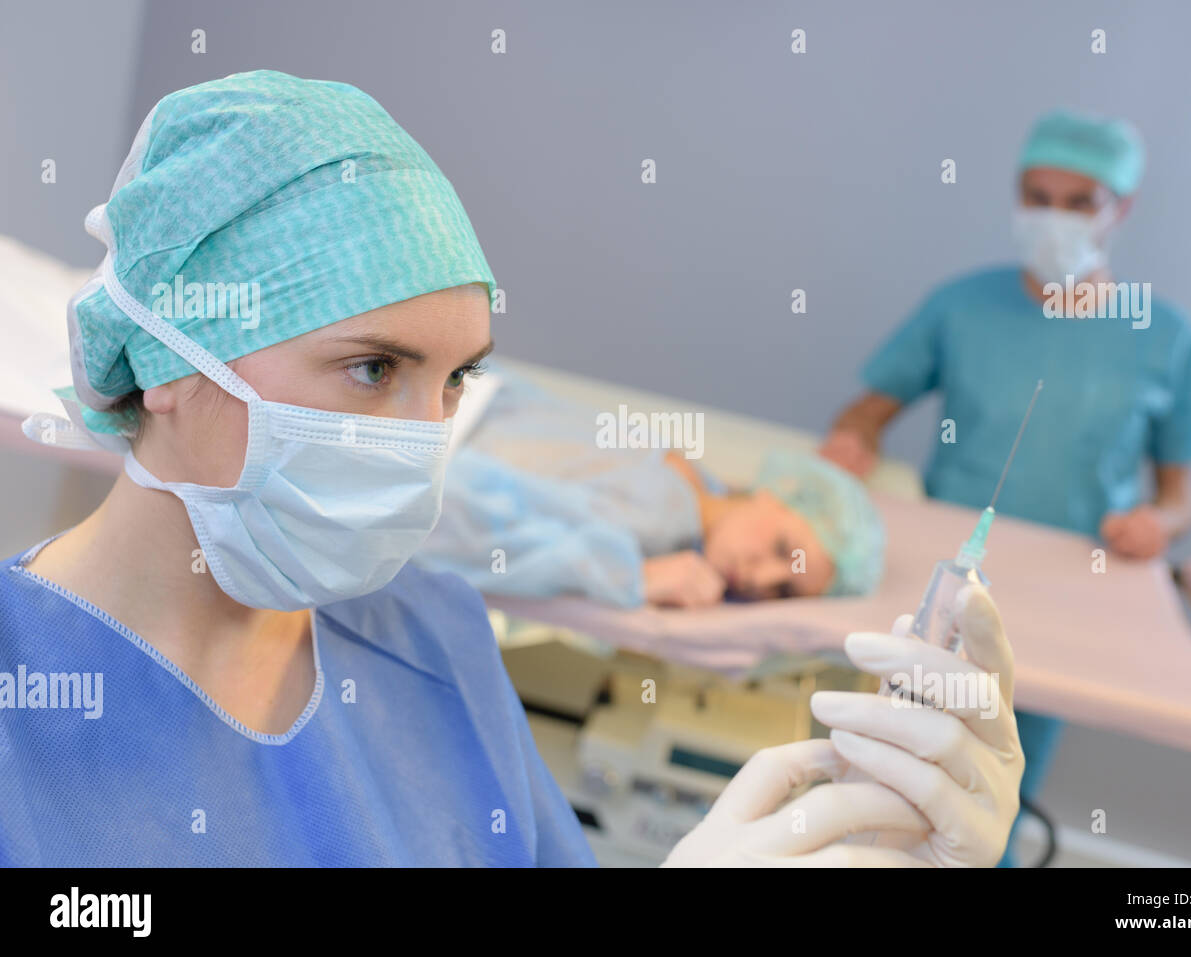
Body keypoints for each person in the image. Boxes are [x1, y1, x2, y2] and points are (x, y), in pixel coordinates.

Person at [1, 71, 1022, 866]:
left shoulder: (435, 634)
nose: (423, 437)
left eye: (455, 383)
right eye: (373, 369)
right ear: (173, 359)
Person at [821, 110, 1191, 866]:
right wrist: (853, 440)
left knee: (990, 783)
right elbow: (866, 412)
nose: (1053, 217)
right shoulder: (962, 306)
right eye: (1037, 196)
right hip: (937, 575)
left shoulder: (1164, 335)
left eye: (1080, 202)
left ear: (1121, 209)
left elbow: (1182, 495)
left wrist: (1158, 525)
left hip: (1067, 594)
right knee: (880, 753)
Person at [416, 368, 886, 608]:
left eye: (784, 592)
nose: (762, 578)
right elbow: (452, 516)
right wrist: (631, 579)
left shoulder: (690, 483)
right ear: (779, 491)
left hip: (442, 391)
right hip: (420, 435)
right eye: (784, 547)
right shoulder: (666, 520)